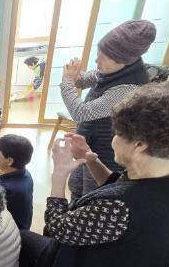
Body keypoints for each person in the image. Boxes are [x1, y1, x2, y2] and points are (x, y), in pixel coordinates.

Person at [19, 82, 169, 267]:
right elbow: (119, 187)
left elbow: (56, 229)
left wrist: (59, 174)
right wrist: (90, 158)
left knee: (20, 237)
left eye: (118, 134)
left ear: (139, 145)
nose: (113, 139)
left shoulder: (119, 207)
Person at [62, 19, 156, 199]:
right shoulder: (112, 70)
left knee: (92, 195)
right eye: (98, 55)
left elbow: (81, 113)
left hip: (106, 153)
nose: (96, 61)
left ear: (124, 60)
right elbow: (84, 80)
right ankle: (73, 212)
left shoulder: (128, 88)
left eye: (102, 58)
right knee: (76, 186)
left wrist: (67, 82)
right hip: (89, 143)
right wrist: (74, 76)